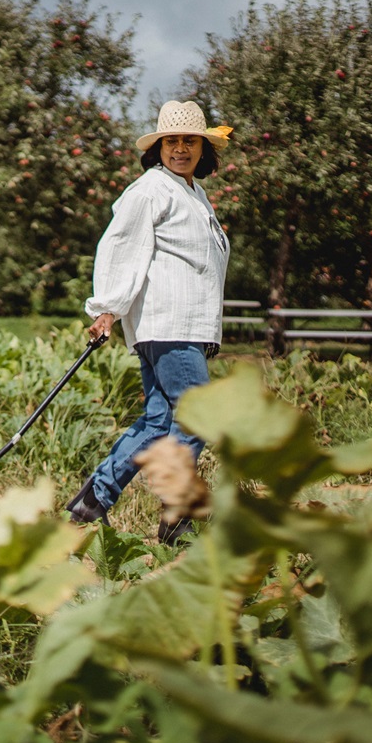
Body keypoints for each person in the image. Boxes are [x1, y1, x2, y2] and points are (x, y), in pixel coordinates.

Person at [63, 100, 233, 545]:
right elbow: (121, 247)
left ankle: (89, 505)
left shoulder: (192, 193)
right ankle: (175, 516)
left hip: (187, 327)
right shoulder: (150, 190)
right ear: (158, 147)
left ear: (203, 148)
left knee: (159, 422)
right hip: (168, 322)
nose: (179, 149)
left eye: (189, 141)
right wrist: (108, 308)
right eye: (171, 141)